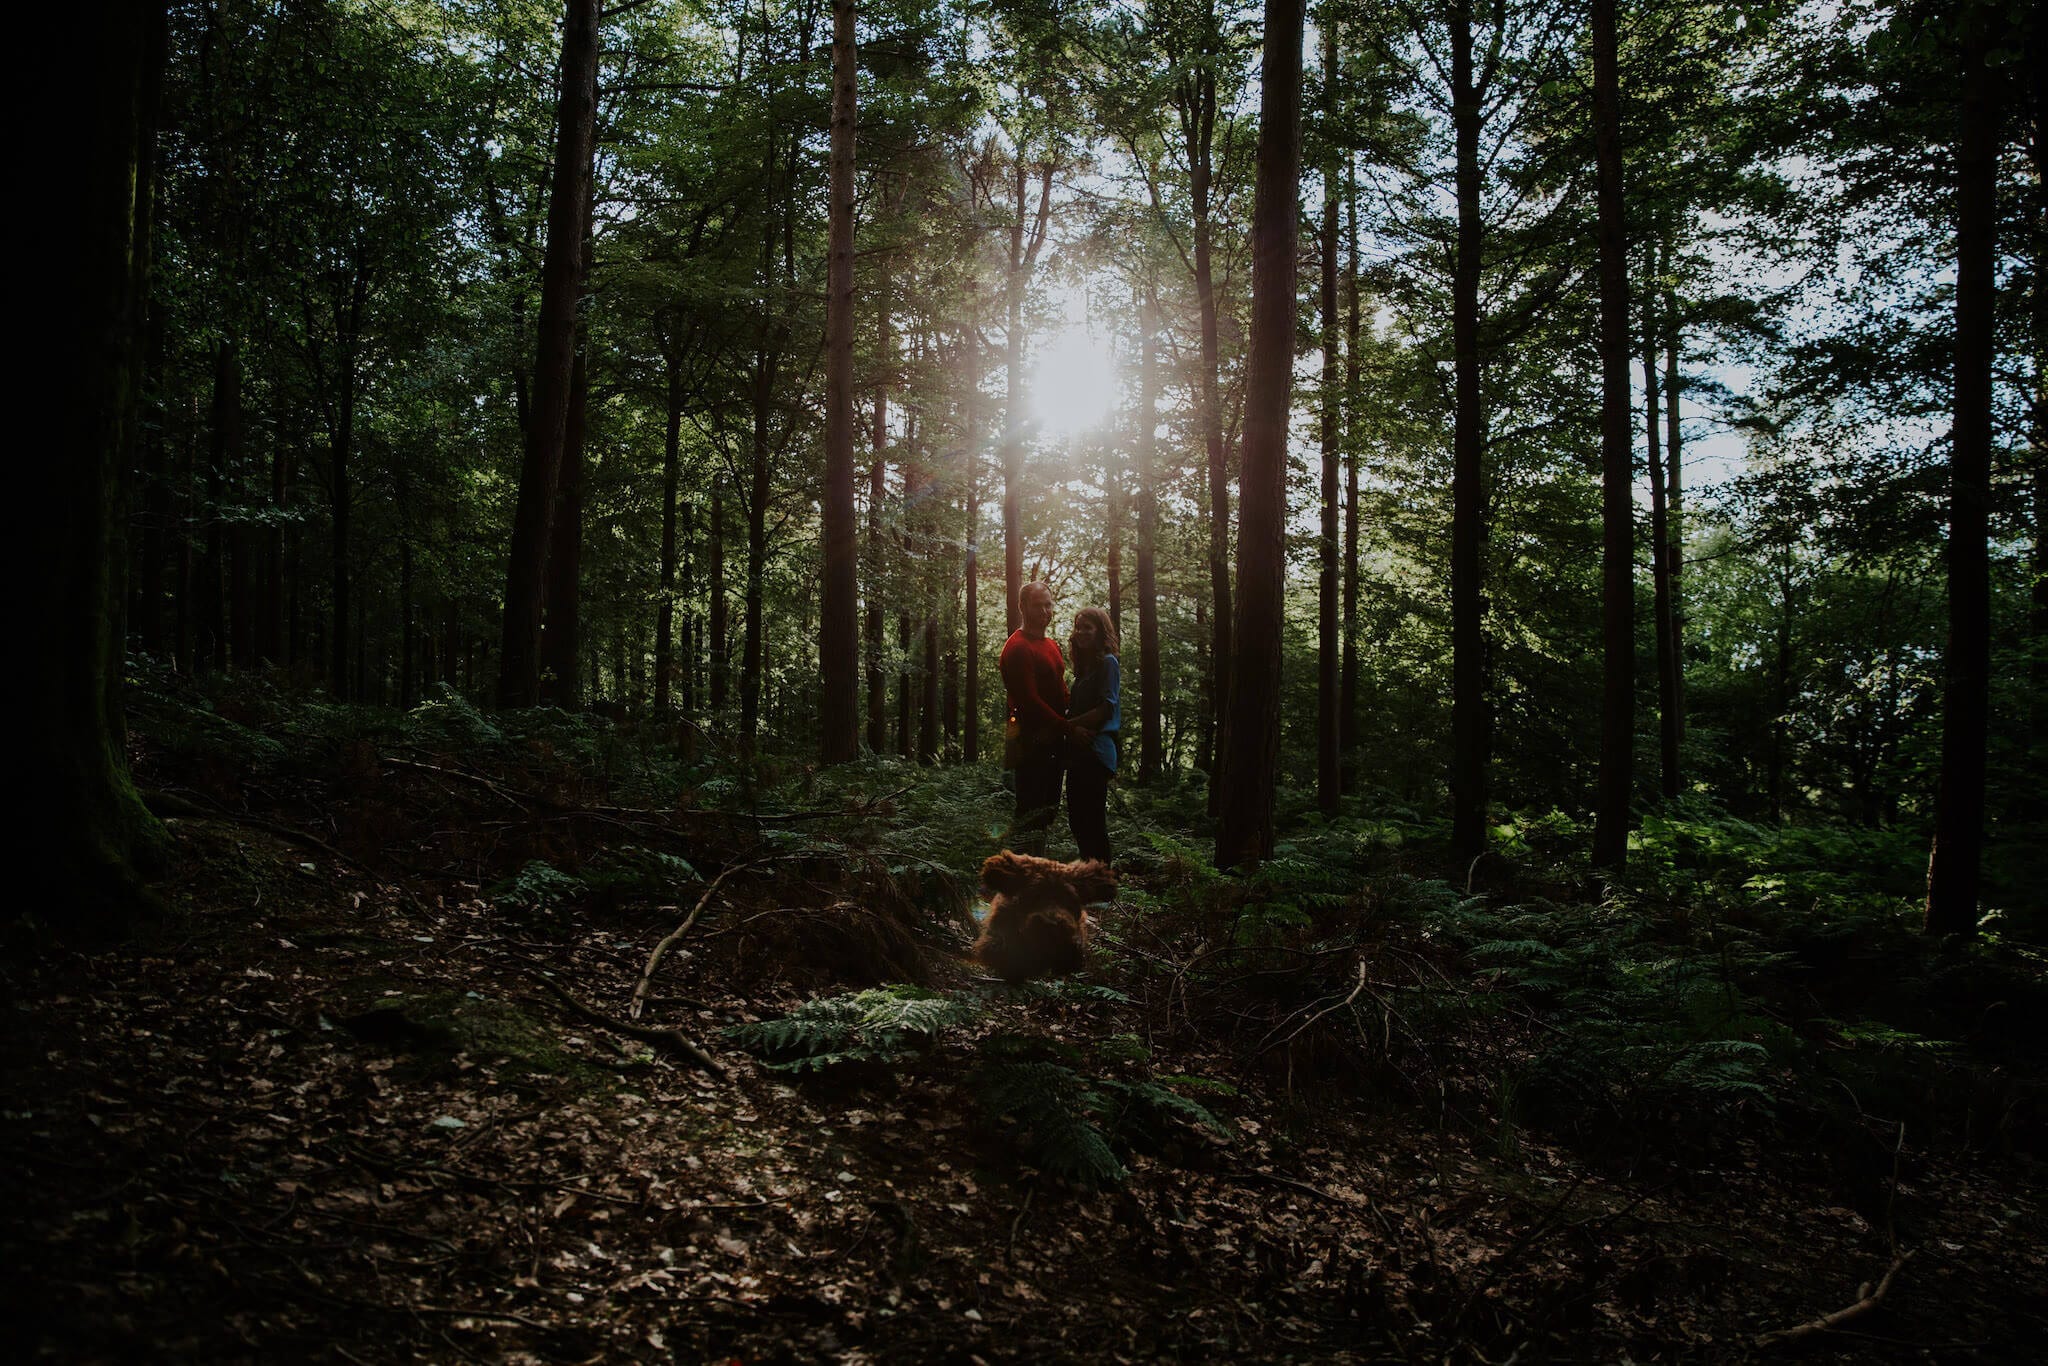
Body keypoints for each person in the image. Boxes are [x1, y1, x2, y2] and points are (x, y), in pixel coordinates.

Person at [999, 582, 1085, 854]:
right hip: (1031, 742)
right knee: (1031, 809)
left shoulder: (1050, 644)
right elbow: (1029, 701)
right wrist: (1068, 727)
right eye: (1039, 605)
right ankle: (1020, 874)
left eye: (1048, 604)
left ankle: (1035, 868)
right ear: (1022, 607)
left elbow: (1059, 687)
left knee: (1048, 807)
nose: (1045, 611)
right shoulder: (1018, 648)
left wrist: (1075, 714)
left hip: (1054, 740)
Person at [1063, 606, 1121, 865]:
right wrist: (1071, 728)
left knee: (1093, 822)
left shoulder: (1108, 662)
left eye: (1088, 627)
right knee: (1077, 819)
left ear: (1100, 631)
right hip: (1077, 753)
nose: (1081, 631)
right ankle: (1090, 880)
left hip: (1096, 752)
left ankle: (1103, 885)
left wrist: (1068, 725)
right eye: (1078, 626)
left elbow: (1107, 707)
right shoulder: (1083, 669)